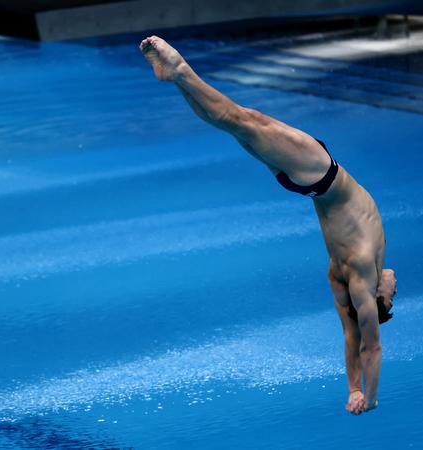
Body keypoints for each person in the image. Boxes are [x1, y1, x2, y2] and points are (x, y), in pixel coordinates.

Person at [139, 36, 397, 415]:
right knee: (235, 124)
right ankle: (176, 77)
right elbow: (349, 335)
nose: (395, 284)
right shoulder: (346, 276)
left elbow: (369, 345)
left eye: (393, 294)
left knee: (241, 118)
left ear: (380, 299)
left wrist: (370, 397)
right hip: (307, 185)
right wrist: (352, 389)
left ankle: (179, 69)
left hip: (321, 173)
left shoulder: (363, 269)